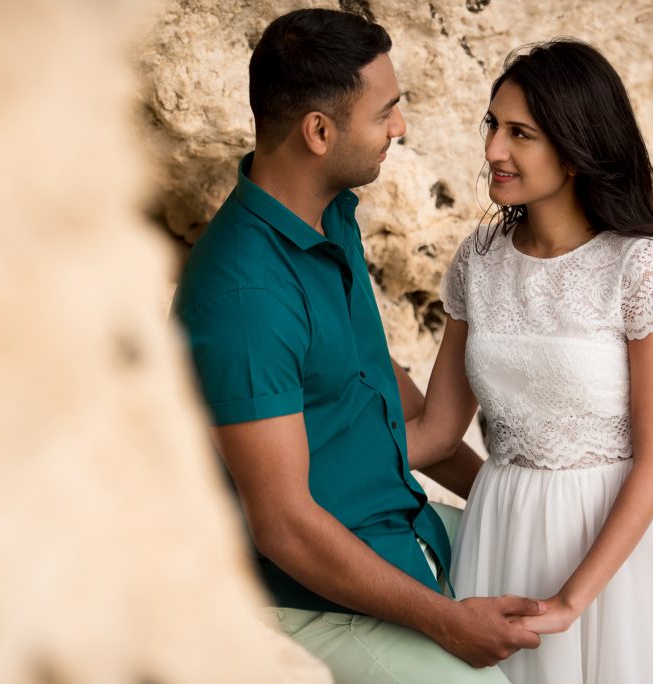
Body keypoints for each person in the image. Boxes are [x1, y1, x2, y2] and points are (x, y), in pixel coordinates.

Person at [172, 9, 547, 684]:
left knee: (574, 579)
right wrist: (445, 620)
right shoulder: (244, 299)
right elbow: (284, 528)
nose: (399, 128)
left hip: (397, 524)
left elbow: (374, 382)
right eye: (386, 113)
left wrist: (496, 490)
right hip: (307, 594)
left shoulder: (327, 214)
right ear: (319, 132)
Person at [407, 38, 653, 683]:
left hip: (622, 553)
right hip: (503, 533)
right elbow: (438, 432)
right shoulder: (481, 258)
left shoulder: (639, 268)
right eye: (493, 125)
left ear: (577, 147)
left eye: (520, 133)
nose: (494, 149)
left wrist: (571, 601)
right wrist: (304, 466)